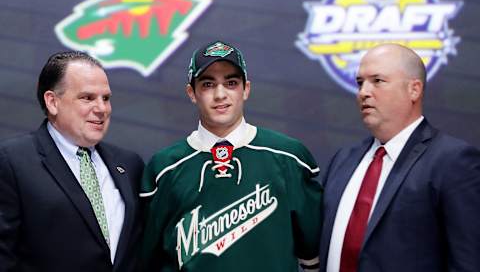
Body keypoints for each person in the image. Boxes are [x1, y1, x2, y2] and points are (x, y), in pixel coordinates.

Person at [140, 40, 323, 271]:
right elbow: (150, 260)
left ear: (246, 89)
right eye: (207, 84)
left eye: (231, 83)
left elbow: (313, 257)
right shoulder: (164, 168)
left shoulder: (288, 156)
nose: (220, 94)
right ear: (191, 92)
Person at [319, 43, 480, 272]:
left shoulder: (453, 161)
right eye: (360, 82)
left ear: (414, 89)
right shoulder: (343, 159)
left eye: (378, 81)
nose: (364, 91)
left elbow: (468, 262)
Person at [0, 51, 145, 272]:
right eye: (87, 98)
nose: (102, 109)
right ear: (52, 102)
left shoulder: (130, 165)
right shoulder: (12, 161)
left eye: (106, 98)